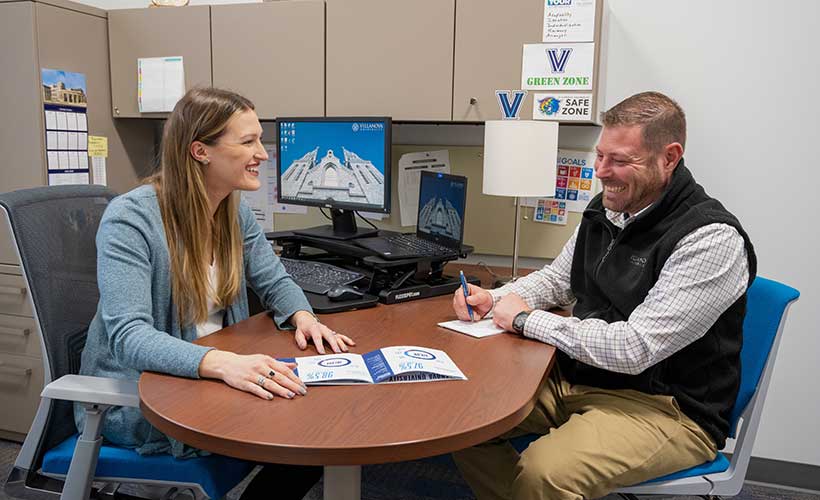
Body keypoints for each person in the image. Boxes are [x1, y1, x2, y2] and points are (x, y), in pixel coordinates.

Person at [452, 91, 757, 500]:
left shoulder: (710, 238)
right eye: (599, 156)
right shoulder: (610, 207)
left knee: (544, 474)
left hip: (664, 406)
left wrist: (525, 320)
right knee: (466, 422)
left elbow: (635, 349)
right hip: (580, 376)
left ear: (669, 157)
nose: (601, 171)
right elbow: (559, 278)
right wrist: (497, 299)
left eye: (620, 160)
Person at [76, 87, 354, 499]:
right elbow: (129, 336)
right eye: (248, 142)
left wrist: (304, 317)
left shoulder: (232, 210)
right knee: (309, 429)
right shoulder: (131, 219)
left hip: (208, 374)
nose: (262, 154)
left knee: (322, 422)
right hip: (143, 394)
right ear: (200, 151)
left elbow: (274, 281)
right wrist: (223, 364)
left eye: (260, 140)